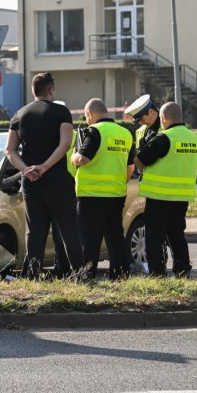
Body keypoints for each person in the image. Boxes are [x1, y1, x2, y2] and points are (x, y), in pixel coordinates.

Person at [5, 72, 86, 279]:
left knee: (35, 231)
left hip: (31, 182)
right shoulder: (61, 112)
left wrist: (26, 170)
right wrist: (45, 166)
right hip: (57, 179)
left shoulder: (19, 114)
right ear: (51, 90)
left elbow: (10, 150)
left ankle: (32, 276)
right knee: (69, 230)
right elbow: (65, 143)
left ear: (33, 91)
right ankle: (80, 275)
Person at [134, 102, 197, 279]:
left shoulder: (163, 138)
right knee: (177, 236)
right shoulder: (194, 139)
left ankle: (157, 275)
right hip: (182, 197)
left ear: (163, 118)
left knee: (154, 239)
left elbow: (139, 161)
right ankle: (182, 271)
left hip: (159, 196)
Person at [71, 98, 135, 280]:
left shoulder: (94, 132)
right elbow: (130, 168)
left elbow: (83, 159)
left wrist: (73, 157)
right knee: (115, 238)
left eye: (86, 116)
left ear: (90, 114)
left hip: (91, 196)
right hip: (116, 194)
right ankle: (121, 276)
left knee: (89, 240)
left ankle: (85, 277)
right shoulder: (125, 134)